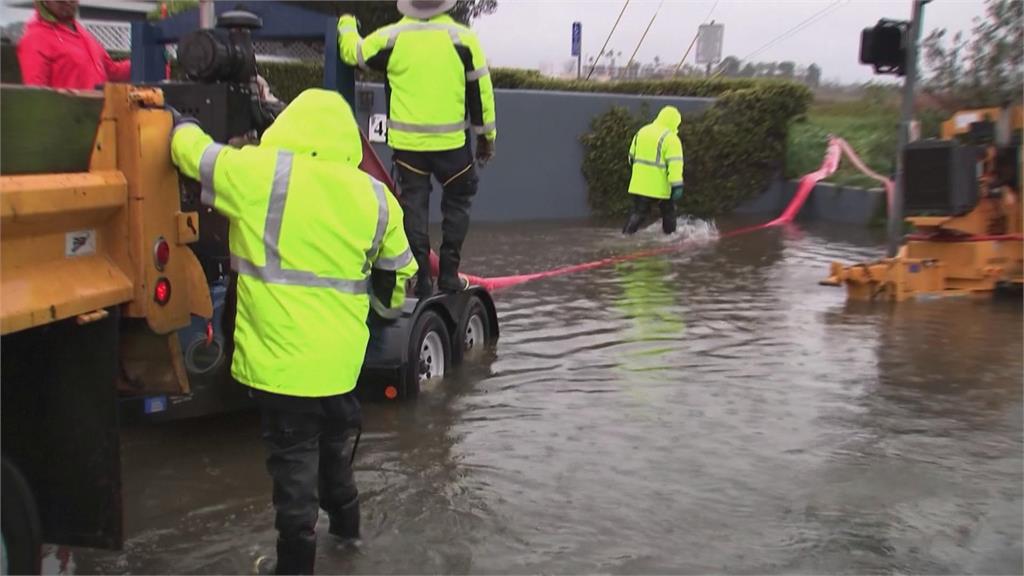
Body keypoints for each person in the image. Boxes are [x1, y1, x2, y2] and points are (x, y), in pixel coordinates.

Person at [170, 89, 418, 575]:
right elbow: (398, 277)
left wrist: (177, 120)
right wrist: (378, 314)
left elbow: (194, 155)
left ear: (288, 128)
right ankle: (349, 545)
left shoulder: (259, 174)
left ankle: (295, 567)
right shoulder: (376, 197)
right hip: (341, 369)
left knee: (293, 481)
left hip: (282, 372)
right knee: (334, 466)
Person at [337, 0, 497, 298]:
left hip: (409, 151)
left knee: (413, 210)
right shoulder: (463, 39)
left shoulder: (392, 38)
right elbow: (481, 93)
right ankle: (449, 275)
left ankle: (421, 279)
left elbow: (353, 52)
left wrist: (346, 22)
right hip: (453, 149)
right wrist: (486, 138)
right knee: (458, 203)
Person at [17, 0, 131, 89]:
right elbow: (36, 94)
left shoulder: (81, 31)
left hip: (100, 114)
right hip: (71, 115)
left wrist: (144, 61)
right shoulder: (34, 38)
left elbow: (112, 71)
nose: (67, 1)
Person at [622, 106, 685, 235]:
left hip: (638, 184)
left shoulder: (642, 131)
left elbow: (631, 158)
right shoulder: (671, 139)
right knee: (669, 213)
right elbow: (675, 164)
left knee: (638, 213)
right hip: (660, 186)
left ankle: (625, 236)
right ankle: (670, 239)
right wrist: (677, 185)